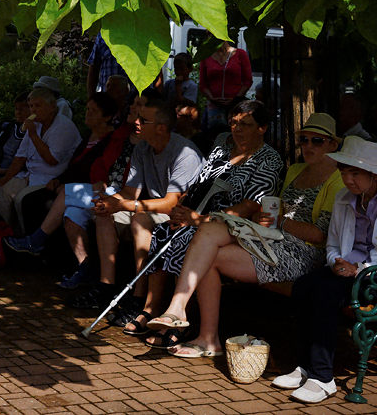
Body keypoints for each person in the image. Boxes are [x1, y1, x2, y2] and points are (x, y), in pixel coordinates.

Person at [148, 113, 344, 358]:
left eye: (317, 141)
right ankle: (184, 316)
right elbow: (276, 209)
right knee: (208, 235)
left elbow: (318, 235)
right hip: (273, 240)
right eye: (304, 140)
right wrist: (267, 219)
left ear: (333, 145)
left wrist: (280, 222)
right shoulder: (295, 170)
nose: (308, 146)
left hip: (304, 253)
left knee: (209, 249)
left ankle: (199, 330)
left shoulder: (338, 180)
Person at [274, 136, 377, 404]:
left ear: (374, 174)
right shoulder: (345, 197)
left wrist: (361, 269)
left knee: (326, 293)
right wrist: (336, 262)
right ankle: (306, 366)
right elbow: (332, 244)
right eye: (344, 172)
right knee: (304, 285)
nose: (348, 180)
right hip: (349, 273)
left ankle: (323, 377)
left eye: (355, 173)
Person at [134, 100, 284, 348]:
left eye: (245, 124)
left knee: (185, 240)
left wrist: (199, 219)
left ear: (262, 128)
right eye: (234, 123)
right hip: (200, 213)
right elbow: (200, 180)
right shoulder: (222, 143)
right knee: (164, 231)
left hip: (231, 224)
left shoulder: (269, 160)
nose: (237, 129)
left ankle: (182, 319)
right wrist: (185, 207)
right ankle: (152, 309)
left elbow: (250, 206)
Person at [71, 97, 203, 322]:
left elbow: (172, 203)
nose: (137, 123)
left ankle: (139, 299)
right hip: (152, 208)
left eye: (144, 120)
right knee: (105, 214)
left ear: (161, 128)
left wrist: (125, 205)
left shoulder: (185, 153)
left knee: (140, 219)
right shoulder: (142, 148)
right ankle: (106, 288)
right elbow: (130, 193)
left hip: (181, 216)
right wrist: (110, 202)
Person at [4, 92, 129, 286]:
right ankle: (84, 267)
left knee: (65, 193)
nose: (87, 114)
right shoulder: (88, 136)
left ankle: (37, 239)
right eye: (87, 109)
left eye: (93, 111)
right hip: (82, 191)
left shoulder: (112, 140)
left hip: (103, 191)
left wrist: (66, 182)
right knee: (71, 217)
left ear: (107, 116)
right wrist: (59, 179)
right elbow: (75, 165)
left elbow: (103, 170)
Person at [0, 88, 82, 231]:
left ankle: (27, 237)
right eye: (31, 106)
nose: (33, 110)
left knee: (21, 199)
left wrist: (33, 134)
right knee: (3, 192)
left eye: (38, 106)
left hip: (51, 178)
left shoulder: (63, 126)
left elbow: (52, 159)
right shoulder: (35, 124)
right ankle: (11, 232)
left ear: (52, 107)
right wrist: (6, 178)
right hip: (30, 175)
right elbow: (20, 157)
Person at [198, 38, 252, 134]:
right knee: (214, 135)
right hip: (214, 106)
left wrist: (236, 98)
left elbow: (247, 81)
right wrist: (212, 98)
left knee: (236, 132)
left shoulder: (240, 54)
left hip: (235, 104)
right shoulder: (206, 57)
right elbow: (202, 84)